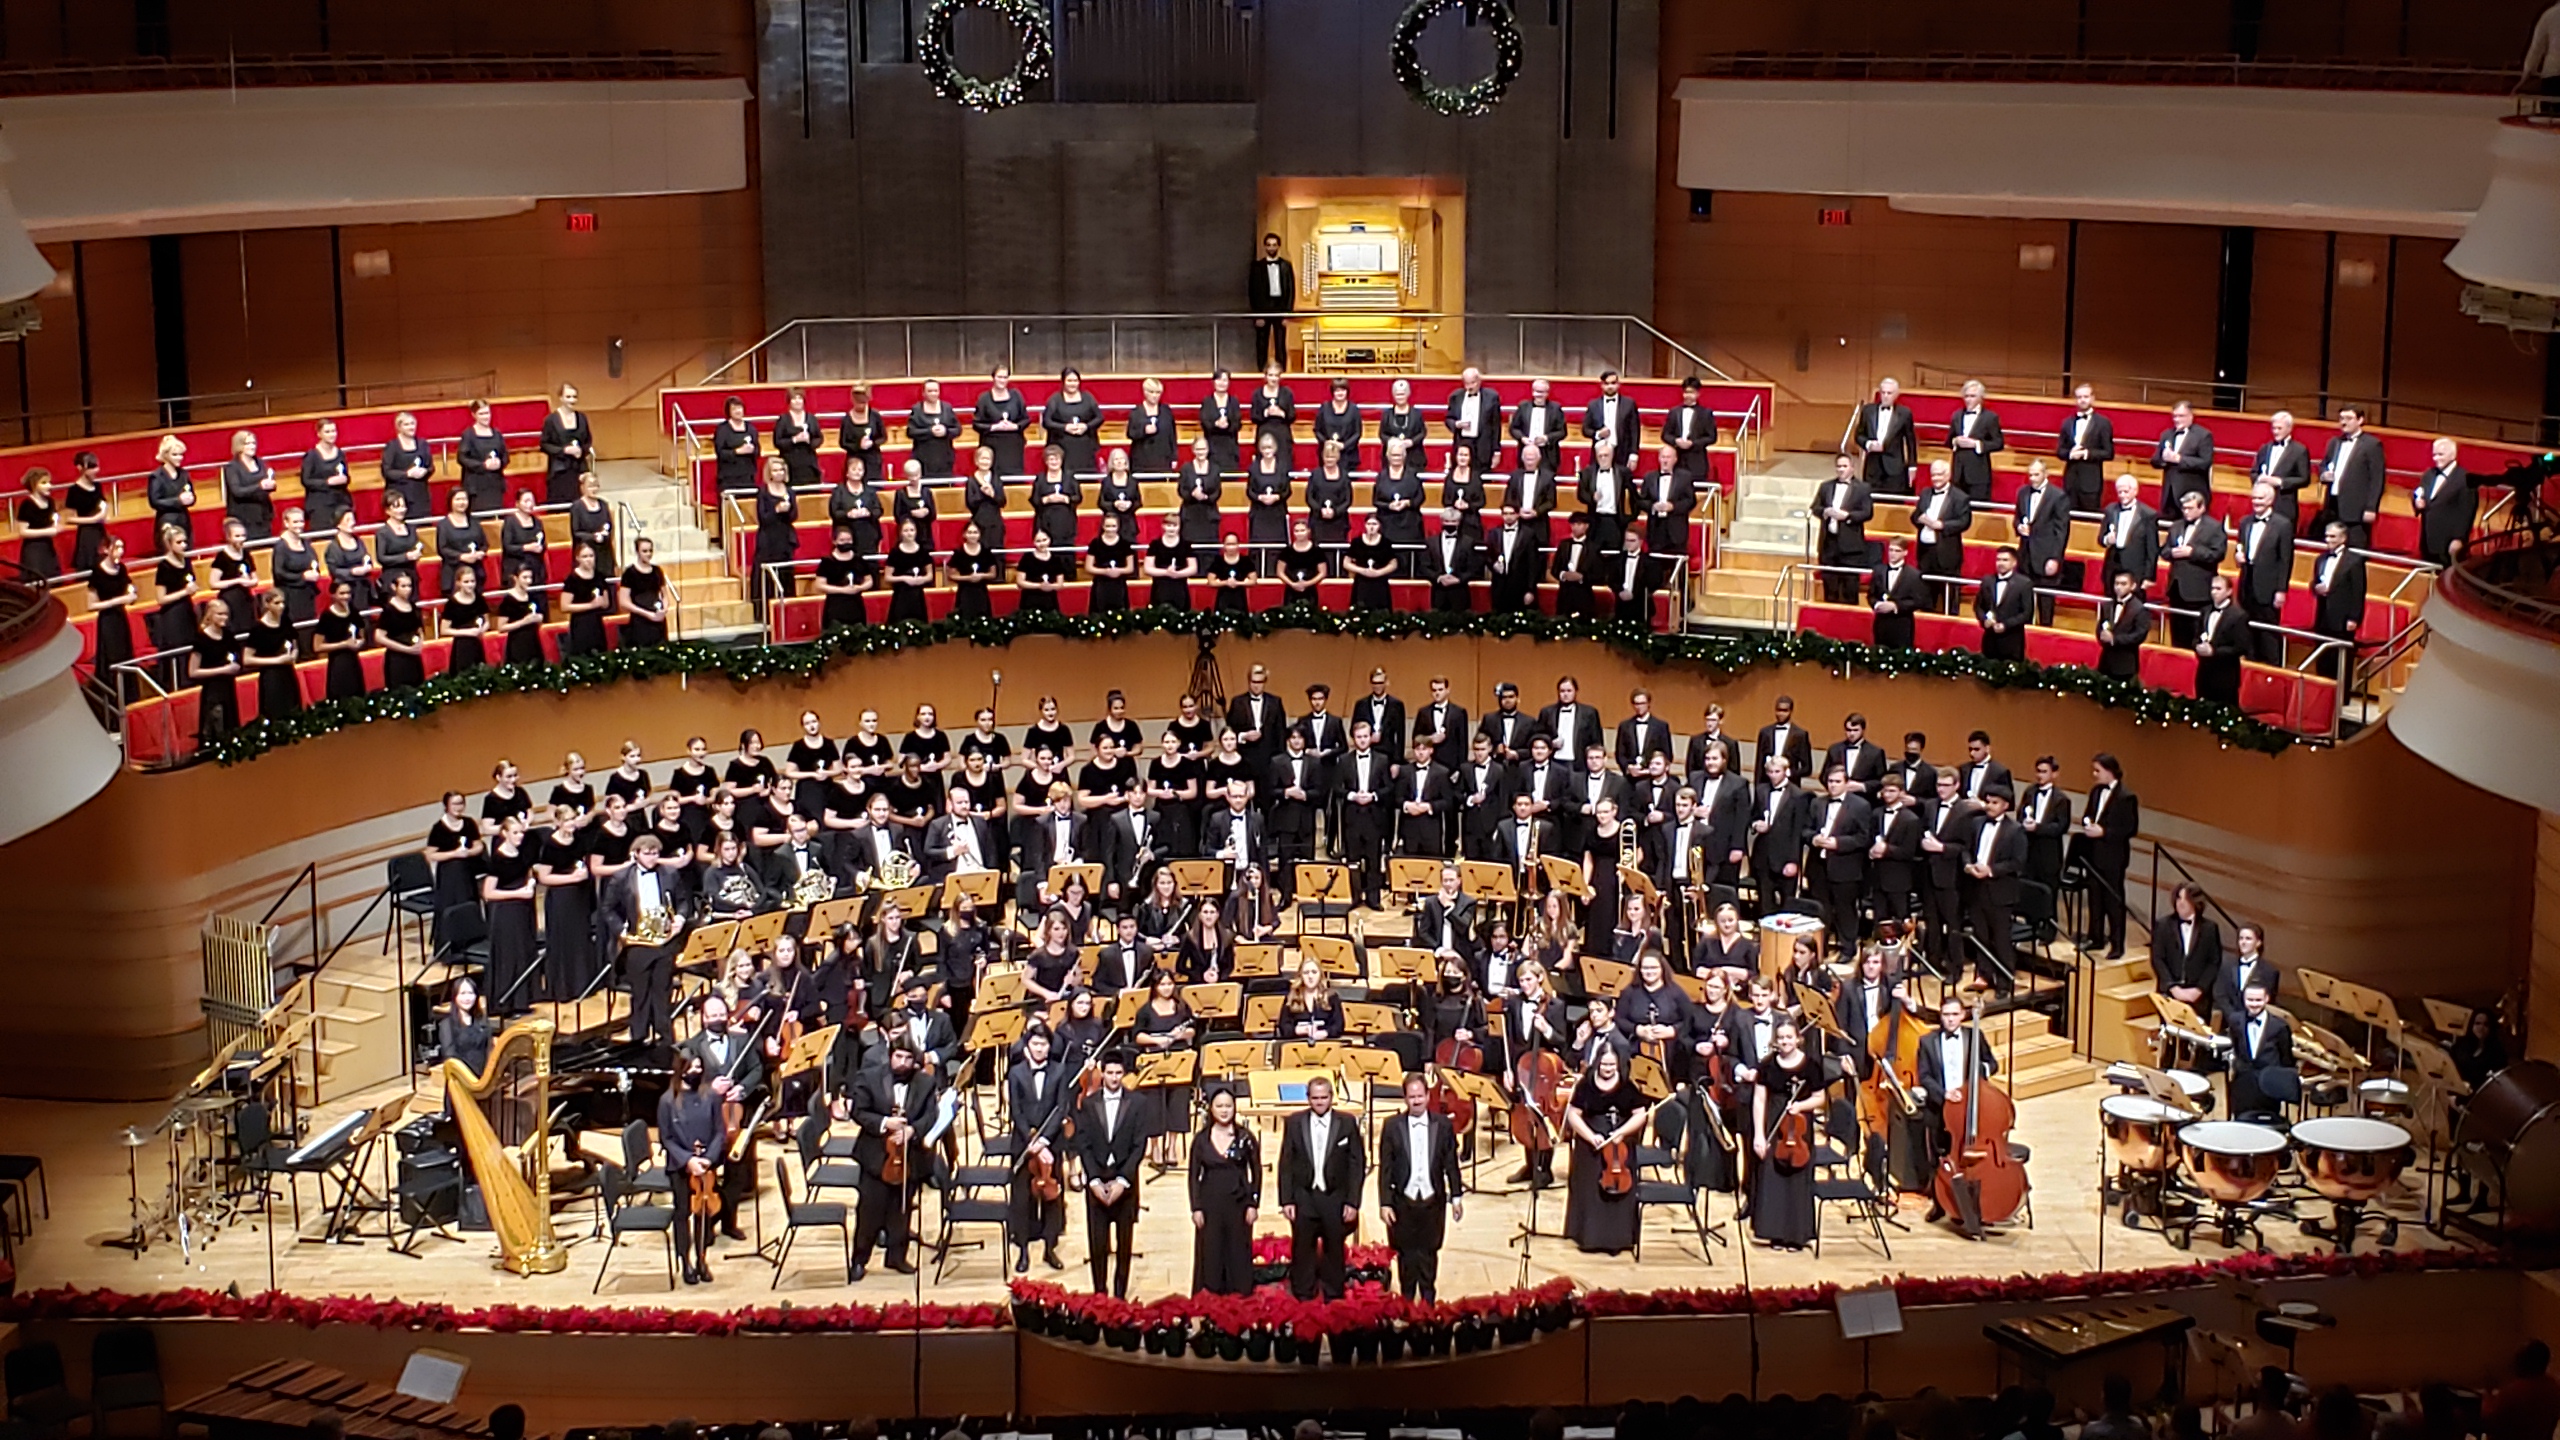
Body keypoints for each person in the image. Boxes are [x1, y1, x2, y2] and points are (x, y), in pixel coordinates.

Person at [846, 1037, 936, 1279]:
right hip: (875, 1155)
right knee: (870, 1211)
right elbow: (858, 1112)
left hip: (910, 1157)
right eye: (899, 1057)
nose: (903, 1063)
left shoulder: (925, 1082)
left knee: (902, 1209)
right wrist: (886, 1123)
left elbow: (931, 1115)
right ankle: (859, 1259)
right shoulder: (870, 1077)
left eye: (908, 1059)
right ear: (890, 1055)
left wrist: (912, 1131)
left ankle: (896, 1257)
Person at [1915, 993, 1998, 1236]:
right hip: (1940, 1108)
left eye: (1955, 1015)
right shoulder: (1927, 1041)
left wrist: (1976, 1077)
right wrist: (1943, 1095)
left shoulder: (1974, 1036)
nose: (1950, 1020)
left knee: (1972, 1157)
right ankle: (1941, 1204)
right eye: (1945, 1015)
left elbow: (1991, 1063)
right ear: (1940, 1016)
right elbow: (1925, 1076)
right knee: (1940, 1158)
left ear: (1963, 1016)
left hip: (1969, 1109)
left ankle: (1977, 1206)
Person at [1375, 1073, 1463, 1301]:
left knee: (1429, 1252)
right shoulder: (1392, 1126)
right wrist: (1384, 1203)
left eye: (1420, 1096)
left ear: (1427, 1096)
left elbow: (1450, 1163)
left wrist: (1456, 1197)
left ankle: (1427, 1300)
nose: (1416, 1101)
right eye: (1411, 1096)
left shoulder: (1442, 1125)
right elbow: (1385, 1168)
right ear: (1405, 1098)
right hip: (1403, 1200)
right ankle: (1406, 1299)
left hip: (1432, 1200)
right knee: (1405, 1253)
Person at [1277, 1074, 1364, 1300]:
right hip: (1304, 1196)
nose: (1319, 1102)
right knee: (1302, 1250)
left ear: (1331, 1097)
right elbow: (1286, 1163)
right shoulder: (1295, 1123)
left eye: (1324, 1097)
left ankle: (1334, 1297)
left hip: (1334, 1197)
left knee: (1334, 1250)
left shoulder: (1346, 1123)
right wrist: (1286, 1200)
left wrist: (1352, 1202)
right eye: (1315, 1098)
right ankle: (1303, 1297)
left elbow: (1356, 1165)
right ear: (1308, 1098)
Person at [1074, 1050, 1147, 1297]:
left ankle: (1120, 1296)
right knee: (1097, 1244)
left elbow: (1139, 1145)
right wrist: (1093, 1180)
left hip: (1124, 1184)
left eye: (1118, 1073)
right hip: (1097, 1182)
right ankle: (1099, 1295)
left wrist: (1123, 1181)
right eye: (1110, 1073)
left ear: (1123, 1074)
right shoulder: (1089, 1103)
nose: (1114, 1078)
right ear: (1102, 1073)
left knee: (1124, 1244)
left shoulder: (1138, 1103)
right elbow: (1083, 1144)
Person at [1749, 1016, 1822, 1250]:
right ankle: (1775, 1233)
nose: (1785, 1042)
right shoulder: (1768, 1065)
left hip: (1799, 1128)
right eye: (1780, 1038)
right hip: (1774, 1123)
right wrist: (1759, 1135)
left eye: (1789, 1037)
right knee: (1773, 1179)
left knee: (1798, 1180)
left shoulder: (1811, 1066)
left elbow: (1820, 1098)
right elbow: (1759, 1100)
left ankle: (1796, 1235)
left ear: (1798, 1039)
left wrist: (1801, 1106)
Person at [1564, 1045, 1643, 1253]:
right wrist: (1591, 1137)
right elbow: (1573, 1115)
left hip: (1620, 1144)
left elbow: (1640, 1114)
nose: (1608, 1069)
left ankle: (1618, 1239)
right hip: (1591, 1141)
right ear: (1597, 1062)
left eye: (1612, 1065)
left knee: (1621, 1188)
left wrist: (1622, 1132)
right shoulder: (1586, 1085)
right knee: (1590, 1186)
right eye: (1605, 1064)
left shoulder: (1627, 1086)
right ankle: (1590, 1237)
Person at [658, 1051, 728, 1285]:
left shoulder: (711, 1097)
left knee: (704, 1215)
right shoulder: (668, 1101)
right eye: (690, 1068)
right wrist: (688, 1160)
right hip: (680, 1167)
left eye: (699, 1067)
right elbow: (666, 1138)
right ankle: (685, 1261)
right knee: (682, 1214)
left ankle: (701, 1258)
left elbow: (720, 1131)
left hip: (706, 1166)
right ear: (681, 1071)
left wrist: (708, 1158)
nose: (695, 1072)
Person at [1006, 1024, 1070, 1274]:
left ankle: (1050, 1247)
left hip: (1051, 1145)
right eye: (1035, 1044)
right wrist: (1032, 1141)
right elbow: (1016, 1112)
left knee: (1052, 1198)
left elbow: (1061, 1107)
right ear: (1027, 1045)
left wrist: (1044, 1141)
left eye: (1044, 1044)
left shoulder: (1059, 1070)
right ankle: (1022, 1249)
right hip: (1023, 1144)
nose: (1040, 1048)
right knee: (1022, 1199)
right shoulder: (1016, 1072)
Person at [1187, 1085, 1262, 1295]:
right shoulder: (1201, 1140)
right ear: (1211, 1108)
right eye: (1219, 1106)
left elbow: (1256, 1173)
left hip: (1238, 1204)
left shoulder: (1246, 1138)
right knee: (1210, 1252)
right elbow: (1193, 1176)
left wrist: (1253, 1204)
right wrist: (1196, 1208)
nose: (1224, 1110)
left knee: (1238, 1251)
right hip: (1210, 1205)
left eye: (1228, 1106)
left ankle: (1240, 1298)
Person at [2075, 752, 2140, 959]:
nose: (2095, 775)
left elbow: (2130, 828)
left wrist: (2104, 832)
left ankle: (2117, 944)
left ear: (2110, 771)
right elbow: (2089, 813)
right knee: (2095, 898)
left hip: (2113, 856)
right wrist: (2088, 823)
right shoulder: (2096, 792)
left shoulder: (2126, 797)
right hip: (2094, 854)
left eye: (2098, 770)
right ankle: (2096, 937)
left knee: (2113, 901)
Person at [2225, 982, 2299, 1121]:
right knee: (2241, 1123)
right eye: (2250, 1000)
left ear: (2267, 999)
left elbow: (2286, 1059)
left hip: (2268, 1085)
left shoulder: (2280, 1026)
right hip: (2243, 1082)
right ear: (2244, 999)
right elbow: (2236, 1046)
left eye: (2258, 1000)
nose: (2254, 1004)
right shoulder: (2235, 1020)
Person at [2152, 882, 2223, 1017]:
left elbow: (2214, 962)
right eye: (2178, 898)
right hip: (2170, 994)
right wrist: (2172, 987)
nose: (2181, 903)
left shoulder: (2209, 928)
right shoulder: (2163, 925)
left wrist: (2199, 989)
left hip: (2198, 998)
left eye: (2186, 899)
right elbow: (2158, 959)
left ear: (2196, 902)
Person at [1910, 460, 1972, 612]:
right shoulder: (1925, 493)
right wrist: (1920, 518)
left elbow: (1964, 522)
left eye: (1939, 474)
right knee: (1925, 596)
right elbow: (1915, 515)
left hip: (1947, 555)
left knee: (1949, 599)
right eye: (1933, 475)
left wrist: (1942, 526)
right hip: (1926, 553)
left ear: (1948, 475)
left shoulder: (1960, 497)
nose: (1936, 478)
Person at [2321, 406, 2386, 549]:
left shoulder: (2372, 445)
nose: (2344, 422)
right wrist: (2324, 475)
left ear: (2360, 420)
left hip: (2356, 509)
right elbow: (2324, 465)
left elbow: (2377, 479)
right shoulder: (2334, 442)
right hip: (2333, 504)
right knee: (2332, 548)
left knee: (2355, 550)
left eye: (2349, 419)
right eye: (2341, 419)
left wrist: (2371, 507)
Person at [1815, 453, 1874, 604]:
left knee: (1849, 589)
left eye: (1844, 466)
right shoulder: (1826, 486)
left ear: (1852, 468)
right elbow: (1815, 507)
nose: (1841, 470)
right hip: (1829, 544)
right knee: (1830, 588)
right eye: (1838, 466)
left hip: (1851, 547)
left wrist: (1847, 516)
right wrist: (1825, 512)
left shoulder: (1863, 488)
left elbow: (1867, 513)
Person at [1851, 377, 1916, 494]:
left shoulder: (1905, 413)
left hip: (1895, 466)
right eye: (1883, 392)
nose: (1885, 396)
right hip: (1872, 466)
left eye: (1889, 393)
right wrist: (1868, 444)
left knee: (1893, 502)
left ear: (1896, 395)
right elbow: (1858, 435)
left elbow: (1911, 441)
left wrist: (1912, 466)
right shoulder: (1867, 410)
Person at [2486, 1340, 2560, 1440]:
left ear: (2523, 1362)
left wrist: (2487, 1403)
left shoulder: (2513, 1392)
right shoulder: (2553, 1388)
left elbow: (2492, 1425)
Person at [2153, 400, 2216, 515]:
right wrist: (2163, 459)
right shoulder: (2166, 434)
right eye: (2175, 416)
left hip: (2192, 495)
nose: (2177, 420)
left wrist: (2179, 459)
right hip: (2169, 495)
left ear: (2191, 416)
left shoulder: (2203, 435)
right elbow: (2155, 460)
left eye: (2181, 416)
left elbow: (2205, 462)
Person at [540, 383, 593, 506]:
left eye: (574, 397)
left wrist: (581, 450)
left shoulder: (582, 418)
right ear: (561, 398)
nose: (572, 400)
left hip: (579, 469)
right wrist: (564, 450)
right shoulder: (551, 420)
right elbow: (544, 444)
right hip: (560, 471)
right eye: (568, 397)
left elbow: (588, 441)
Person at [1869, 536, 1925, 648]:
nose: (1893, 554)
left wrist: (1895, 606)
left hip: (1902, 626)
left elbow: (1918, 601)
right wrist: (1877, 604)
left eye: (1897, 551)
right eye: (1891, 550)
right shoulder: (1879, 571)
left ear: (1905, 552)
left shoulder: (1913, 575)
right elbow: (1871, 595)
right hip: (1881, 624)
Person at [1248, 231, 1295, 366]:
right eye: (1269, 245)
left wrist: (1288, 313)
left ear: (1278, 246)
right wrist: (1257, 315)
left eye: (1274, 245)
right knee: (1262, 342)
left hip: (1280, 306)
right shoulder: (1257, 267)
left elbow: (1291, 290)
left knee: (1280, 342)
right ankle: (1261, 370)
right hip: (1263, 308)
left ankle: (1282, 370)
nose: (1272, 248)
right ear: (1265, 247)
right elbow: (1253, 292)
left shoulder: (1286, 266)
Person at [2098, 570, 2149, 681]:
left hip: (2125, 665)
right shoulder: (2107, 605)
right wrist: (2101, 635)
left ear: (2133, 586)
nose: (2119, 587)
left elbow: (2139, 635)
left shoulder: (2139, 609)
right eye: (2116, 583)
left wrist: (2115, 639)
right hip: (2105, 662)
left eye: (2123, 584)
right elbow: (2100, 627)